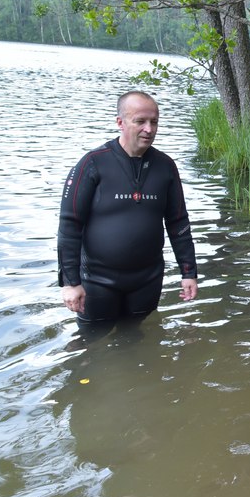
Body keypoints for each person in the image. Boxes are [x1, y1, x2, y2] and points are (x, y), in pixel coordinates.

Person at [57, 90, 198, 326]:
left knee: (137, 341)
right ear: (120, 123)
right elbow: (69, 225)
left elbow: (178, 223)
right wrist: (71, 282)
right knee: (92, 347)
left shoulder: (165, 166)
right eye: (140, 121)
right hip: (97, 280)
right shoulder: (93, 163)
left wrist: (189, 273)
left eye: (154, 122)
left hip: (147, 280)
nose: (149, 129)